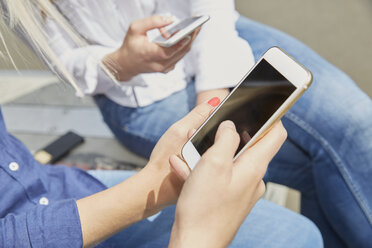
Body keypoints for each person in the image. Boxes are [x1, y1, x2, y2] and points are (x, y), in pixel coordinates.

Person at [1, 1, 371, 247]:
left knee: (356, 126)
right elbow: (62, 60)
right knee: (320, 168)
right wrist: (119, 62)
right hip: (138, 92)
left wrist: (212, 96)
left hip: (222, 36)